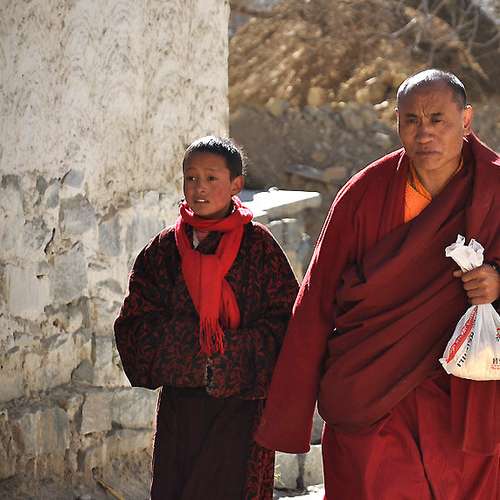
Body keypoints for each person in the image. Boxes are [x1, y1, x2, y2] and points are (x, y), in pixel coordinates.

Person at [255, 70, 500, 499]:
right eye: (411, 120)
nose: (424, 133)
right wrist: (290, 410)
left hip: (461, 392)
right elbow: (317, 297)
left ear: (466, 120)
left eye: (437, 119)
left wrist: (497, 282)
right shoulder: (365, 194)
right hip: (373, 388)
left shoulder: (495, 186)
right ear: (397, 123)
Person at [114, 136, 298, 500]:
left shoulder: (259, 247)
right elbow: (134, 324)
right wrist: (194, 351)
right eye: (191, 178)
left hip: (243, 404)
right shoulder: (164, 250)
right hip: (181, 406)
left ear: (236, 185)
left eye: (212, 178)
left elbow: (287, 322)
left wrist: (229, 354)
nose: (199, 188)